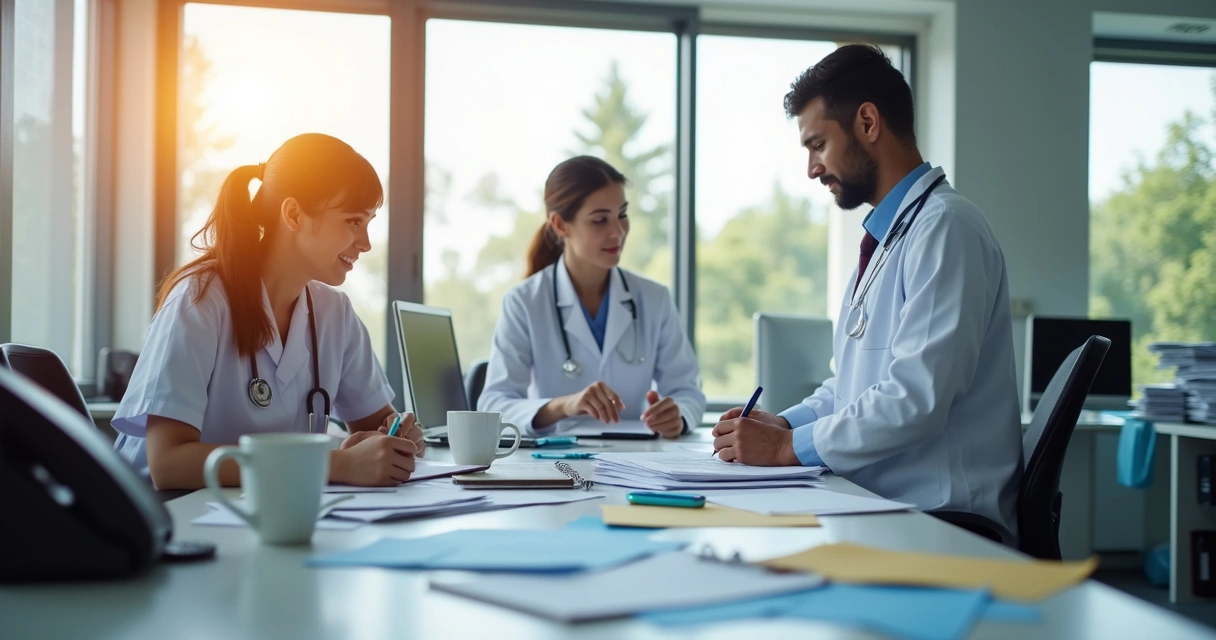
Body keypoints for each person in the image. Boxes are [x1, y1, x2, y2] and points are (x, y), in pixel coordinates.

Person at [712, 44, 1022, 540]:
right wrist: (783, 428)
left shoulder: (946, 227)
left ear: (868, 123)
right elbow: (848, 389)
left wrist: (784, 451)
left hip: (940, 521)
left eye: (817, 145)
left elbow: (914, 399)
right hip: (882, 506)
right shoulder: (889, 236)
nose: (812, 168)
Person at [112, 133, 424, 489]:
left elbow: (376, 430)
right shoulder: (200, 299)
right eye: (354, 221)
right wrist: (333, 463)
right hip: (163, 518)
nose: (366, 243)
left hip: (262, 511)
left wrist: (399, 440)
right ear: (293, 214)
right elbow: (169, 464)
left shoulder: (334, 314)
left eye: (368, 223)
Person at [479, 156, 705, 437]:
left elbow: (688, 391)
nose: (618, 231)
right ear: (561, 225)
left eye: (622, 215)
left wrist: (678, 415)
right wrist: (565, 405)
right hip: (558, 462)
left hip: (639, 462)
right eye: (600, 220)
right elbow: (495, 406)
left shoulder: (654, 298)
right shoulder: (524, 302)